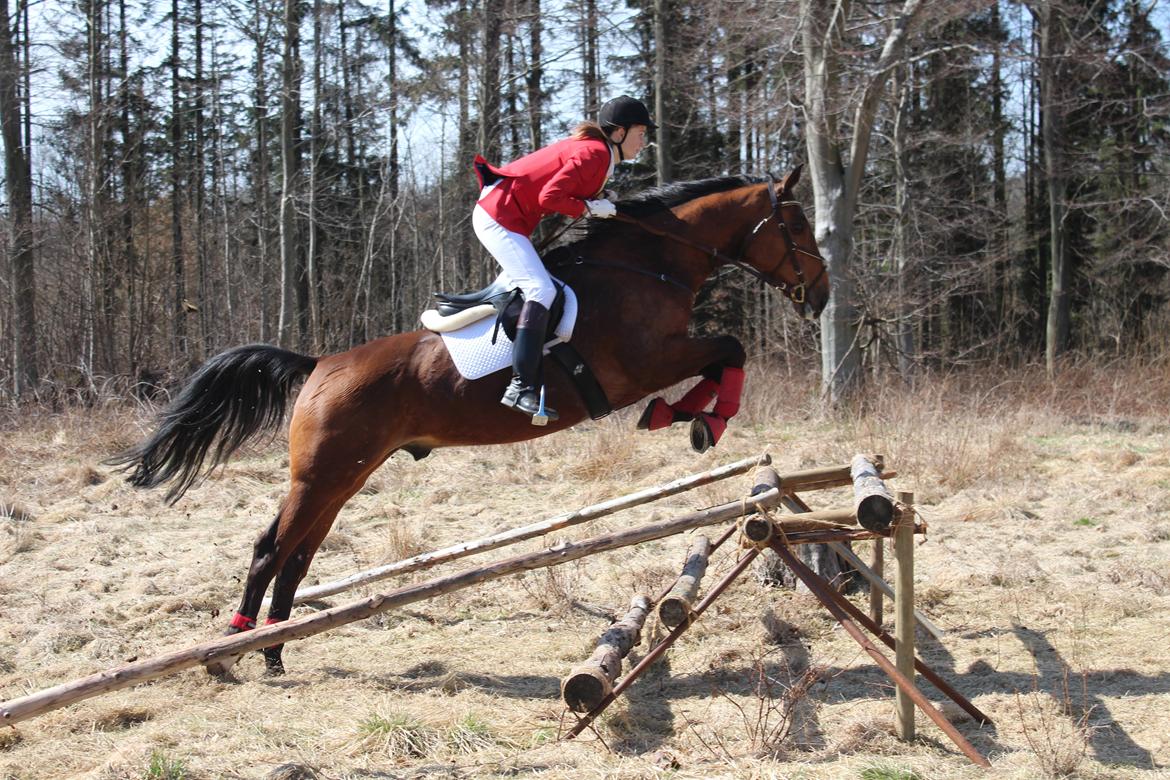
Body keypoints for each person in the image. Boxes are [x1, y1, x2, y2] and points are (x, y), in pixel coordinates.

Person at [472, 95, 655, 423]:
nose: (645, 142)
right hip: (498, 216)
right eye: (641, 133)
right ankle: (520, 385)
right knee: (541, 290)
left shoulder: (598, 154)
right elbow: (550, 196)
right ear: (618, 133)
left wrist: (596, 198)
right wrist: (587, 207)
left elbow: (561, 188)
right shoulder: (596, 154)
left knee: (541, 286)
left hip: (506, 214)